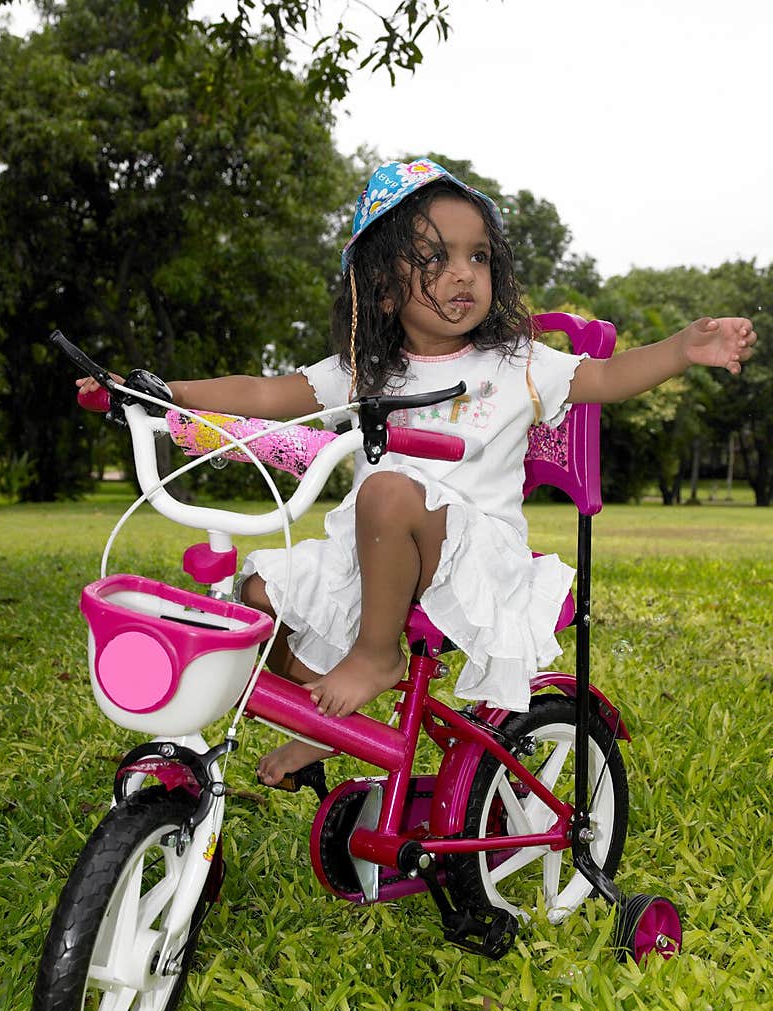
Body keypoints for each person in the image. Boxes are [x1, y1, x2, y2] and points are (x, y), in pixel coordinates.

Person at [77, 157, 756, 788]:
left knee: (387, 490)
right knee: (256, 594)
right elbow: (263, 394)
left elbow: (606, 375)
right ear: (380, 288)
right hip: (374, 550)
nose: (464, 273)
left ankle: (376, 657)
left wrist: (680, 348)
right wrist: (166, 393)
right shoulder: (365, 371)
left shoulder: (514, 362)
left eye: (478, 256)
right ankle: (327, 723)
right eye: (434, 258)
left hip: (472, 553)